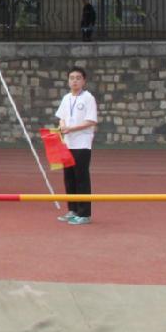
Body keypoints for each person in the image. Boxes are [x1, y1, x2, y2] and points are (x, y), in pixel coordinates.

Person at [55, 66, 98, 225]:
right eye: (72, 78)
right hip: (67, 143)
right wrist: (62, 126)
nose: (75, 81)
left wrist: (71, 129)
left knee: (81, 177)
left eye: (78, 78)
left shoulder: (88, 98)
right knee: (69, 177)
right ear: (68, 81)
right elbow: (61, 117)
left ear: (84, 81)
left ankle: (84, 213)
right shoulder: (66, 98)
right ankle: (72, 210)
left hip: (82, 144)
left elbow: (91, 121)